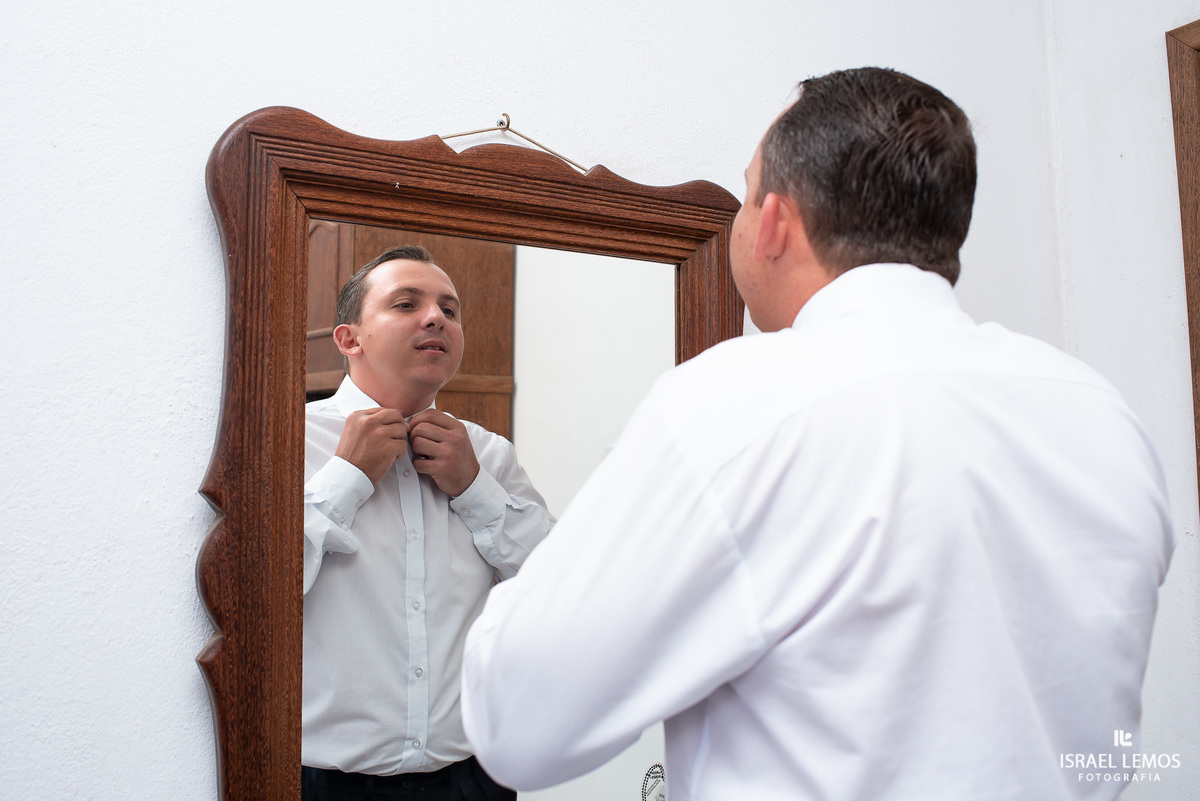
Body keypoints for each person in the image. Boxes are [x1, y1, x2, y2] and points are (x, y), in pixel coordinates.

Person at [459, 68, 1175, 801]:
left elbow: (517, 722)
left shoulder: (736, 402)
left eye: (745, 195)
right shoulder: (1100, 414)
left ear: (773, 221)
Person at [303, 245, 553, 801]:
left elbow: (557, 588)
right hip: (323, 784)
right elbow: (252, 593)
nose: (436, 316)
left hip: (474, 778)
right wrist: (346, 478)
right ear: (349, 338)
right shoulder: (289, 442)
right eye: (405, 303)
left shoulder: (489, 455)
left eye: (450, 308)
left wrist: (475, 489)